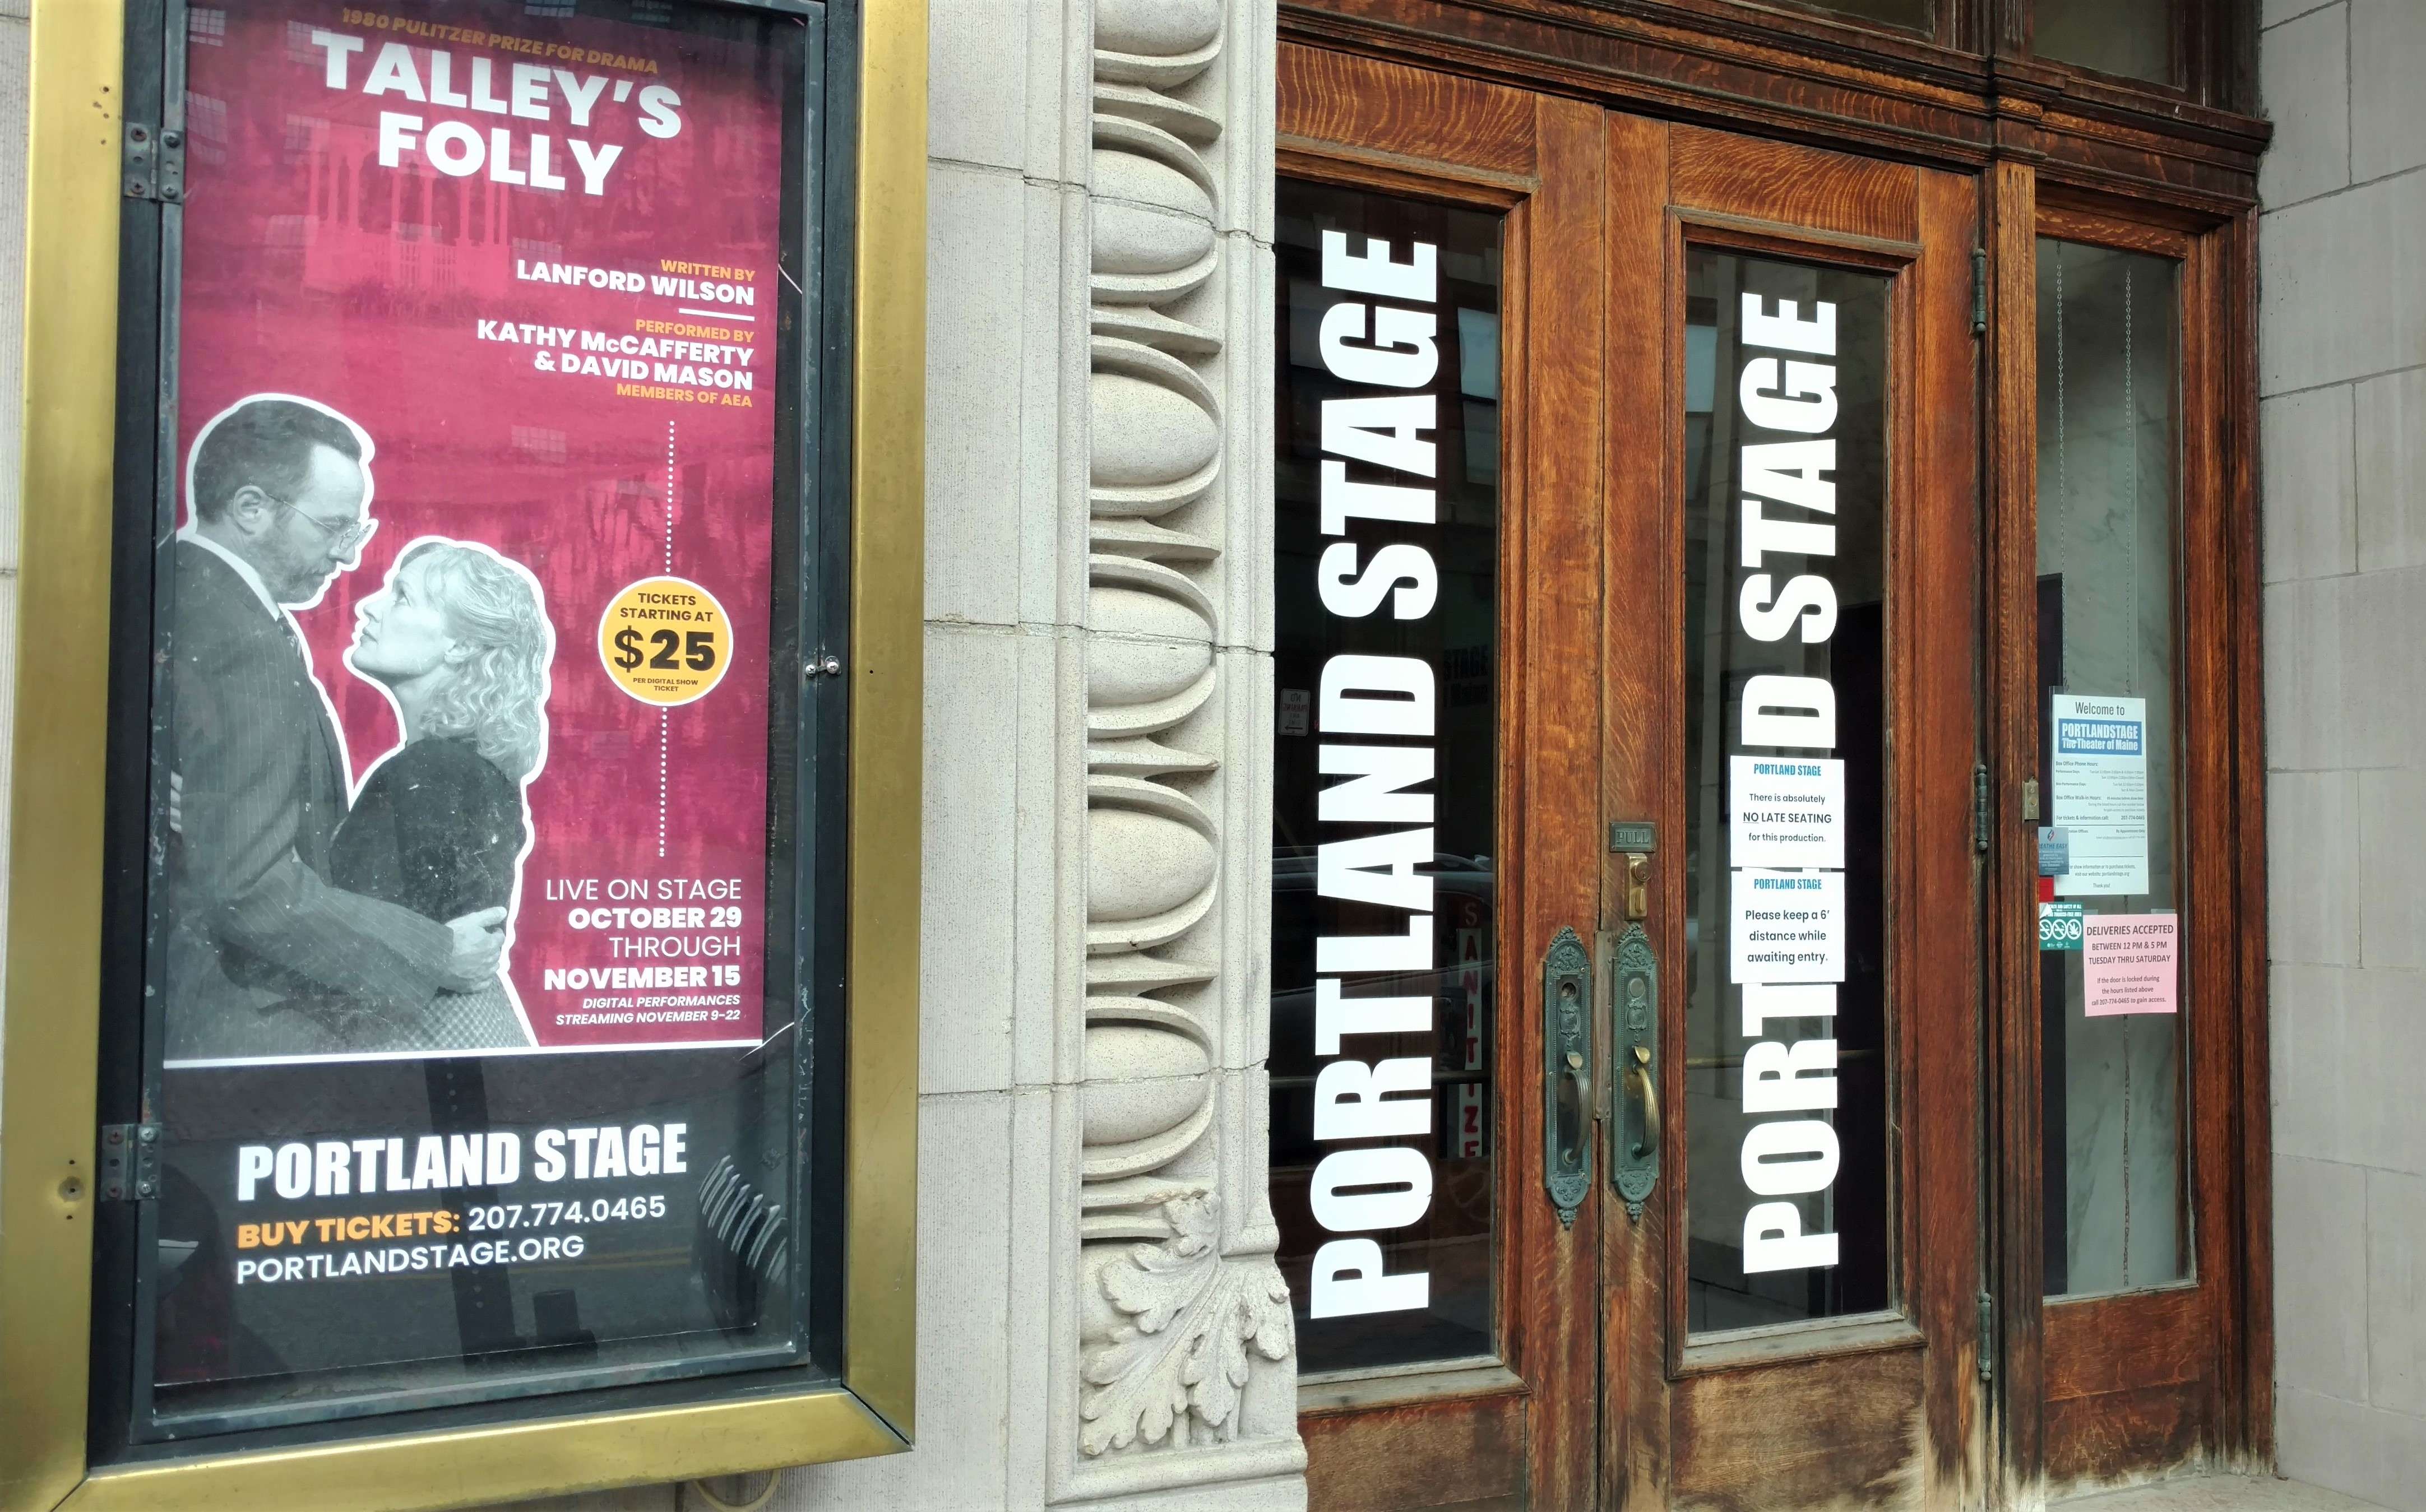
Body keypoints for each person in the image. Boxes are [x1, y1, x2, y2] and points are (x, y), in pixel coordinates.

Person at [164, 396, 506, 1061]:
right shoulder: (244, 641)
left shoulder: (172, 588)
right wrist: (438, 952)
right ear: (251, 509)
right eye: (333, 528)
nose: (348, 561)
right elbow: (249, 888)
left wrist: (212, 818)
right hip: (250, 1022)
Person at [290, 540, 552, 1053]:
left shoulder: (434, 770)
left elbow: (372, 930)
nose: (369, 605)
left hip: (425, 1040)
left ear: (459, 647)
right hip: (451, 1035)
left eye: (403, 597)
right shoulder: (460, 765)